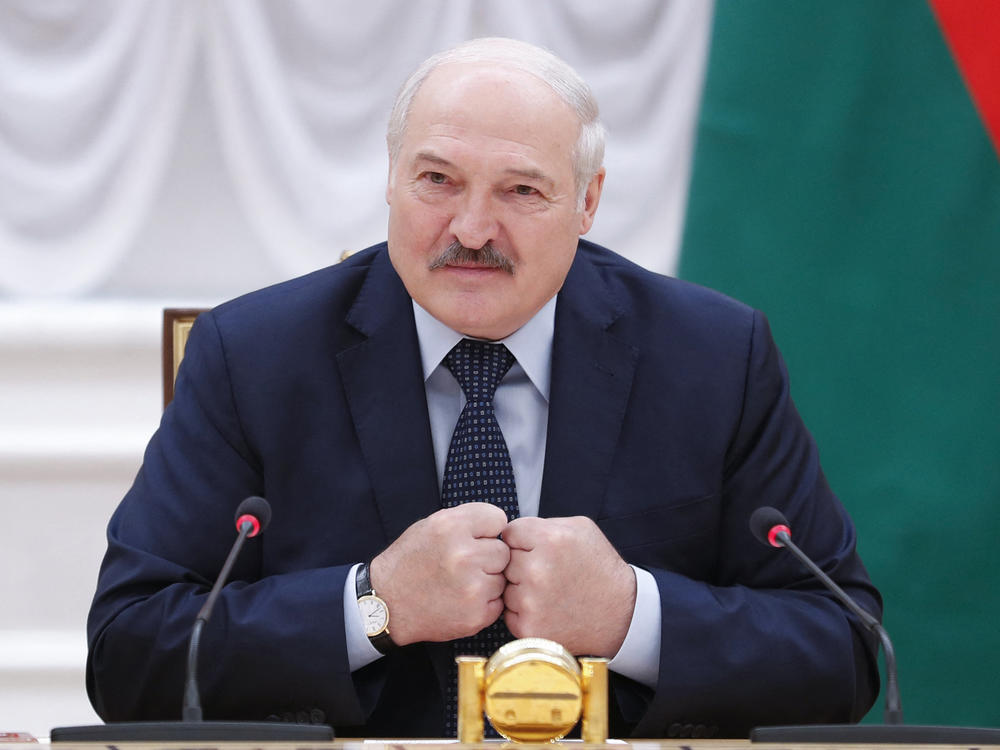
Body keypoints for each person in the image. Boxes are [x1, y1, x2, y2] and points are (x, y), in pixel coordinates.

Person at [86, 37, 881, 739]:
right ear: (391, 182)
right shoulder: (253, 356)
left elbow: (844, 652)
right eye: (437, 179)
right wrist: (372, 607)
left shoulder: (711, 356)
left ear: (589, 203)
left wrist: (633, 616)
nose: (471, 229)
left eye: (521, 191)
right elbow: (130, 653)